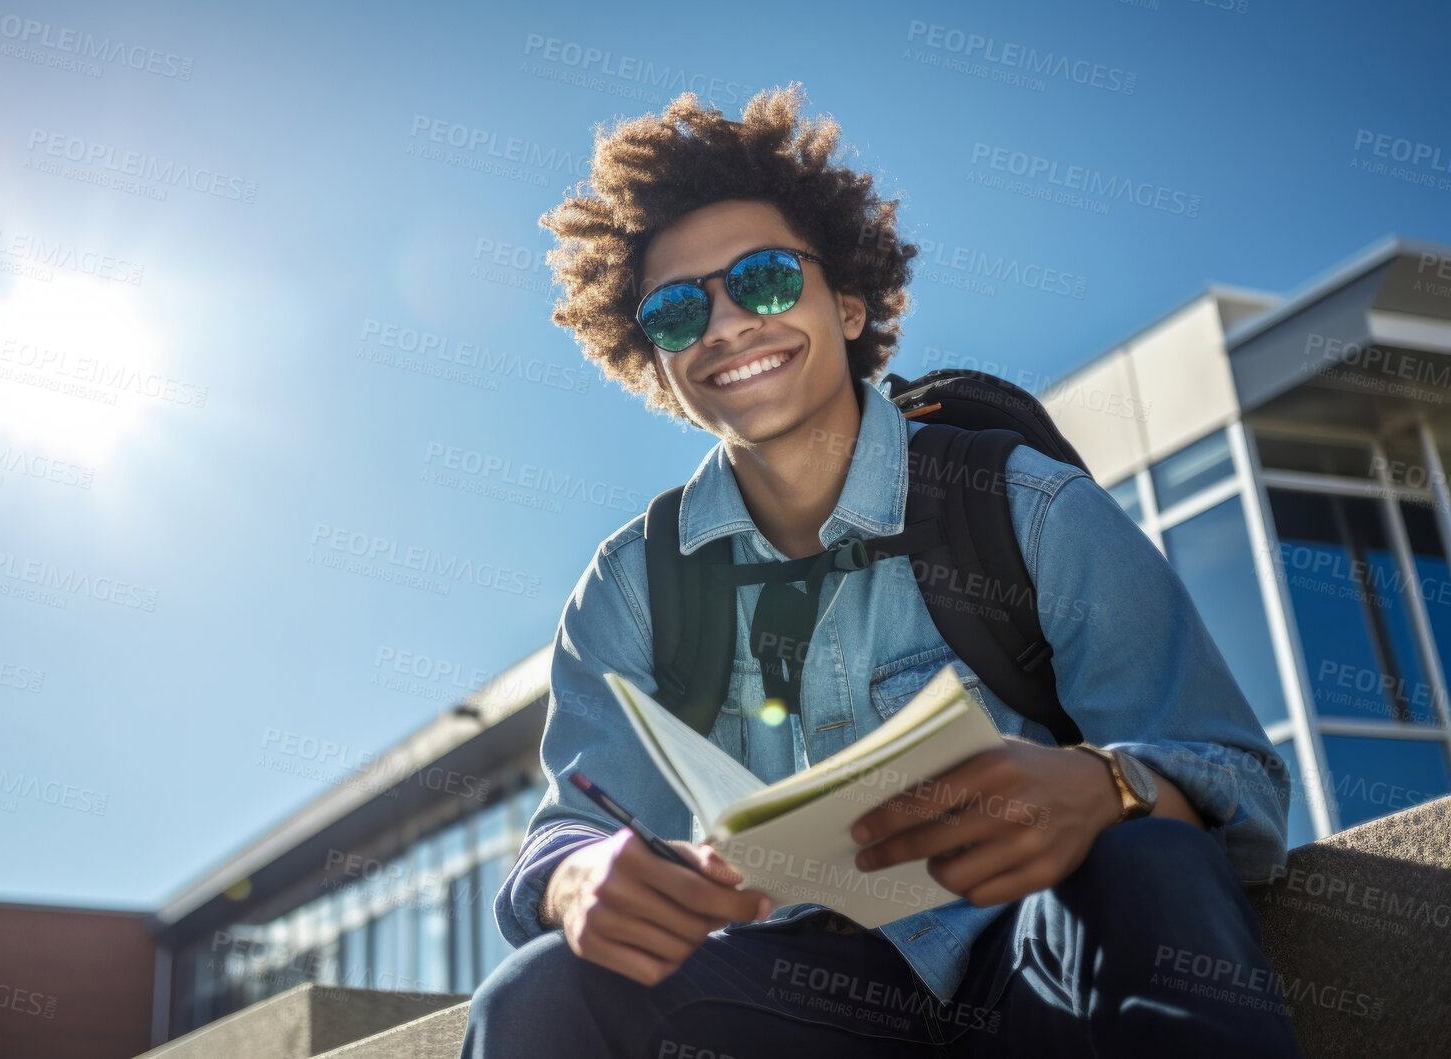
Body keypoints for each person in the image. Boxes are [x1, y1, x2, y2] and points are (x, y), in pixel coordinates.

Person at [458, 83, 1302, 1057]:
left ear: (847, 301)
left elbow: (1238, 778)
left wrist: (1106, 788)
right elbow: (566, 830)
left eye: (766, 279)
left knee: (1150, 859)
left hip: (1043, 968)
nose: (726, 324)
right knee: (542, 992)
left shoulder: (1028, 510)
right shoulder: (627, 591)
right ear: (656, 361)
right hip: (791, 1002)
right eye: (680, 310)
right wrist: (573, 880)